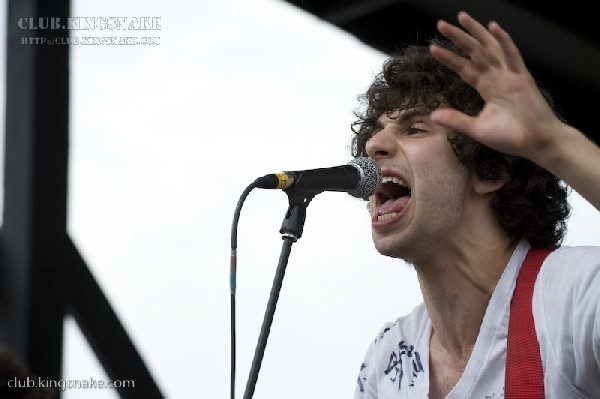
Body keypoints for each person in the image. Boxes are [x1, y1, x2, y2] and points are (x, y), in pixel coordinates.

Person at [351, 11, 600, 399]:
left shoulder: (573, 295)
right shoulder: (386, 361)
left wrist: (553, 143)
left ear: (489, 170)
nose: (371, 147)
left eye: (414, 129)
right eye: (374, 131)